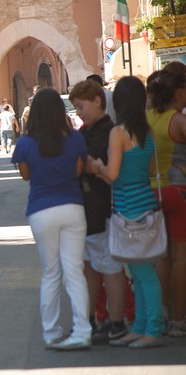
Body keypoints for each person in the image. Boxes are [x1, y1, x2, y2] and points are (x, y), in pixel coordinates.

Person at [11, 88, 91, 351]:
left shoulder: (24, 143)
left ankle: (51, 332)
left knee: (51, 272)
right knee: (74, 271)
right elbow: (78, 171)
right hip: (72, 206)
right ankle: (82, 331)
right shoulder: (76, 139)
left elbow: (26, 175)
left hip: (41, 210)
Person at [91, 75, 164, 348]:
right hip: (145, 203)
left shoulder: (118, 133)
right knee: (140, 270)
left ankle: (153, 328)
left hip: (127, 208)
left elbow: (112, 174)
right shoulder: (148, 132)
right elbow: (151, 171)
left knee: (142, 273)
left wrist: (97, 166)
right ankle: (142, 326)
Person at [69, 79, 129, 344]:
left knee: (108, 266)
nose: (79, 113)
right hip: (87, 208)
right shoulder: (88, 131)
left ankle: (116, 322)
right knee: (90, 267)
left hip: (101, 207)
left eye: (81, 107)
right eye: (76, 108)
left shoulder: (107, 131)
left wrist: (88, 165)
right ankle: (93, 319)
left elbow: (92, 165)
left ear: (97, 101)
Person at [146, 63, 186, 337]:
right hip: (179, 190)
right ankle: (178, 319)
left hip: (153, 191)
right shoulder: (178, 120)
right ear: (178, 93)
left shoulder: (147, 119)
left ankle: (160, 312)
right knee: (182, 257)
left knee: (162, 256)